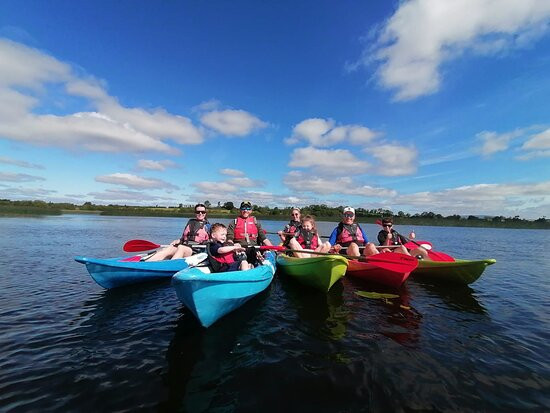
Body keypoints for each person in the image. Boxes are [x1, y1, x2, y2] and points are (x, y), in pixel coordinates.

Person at [226, 201, 273, 265]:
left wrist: (274, 250)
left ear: (251, 211)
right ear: (240, 210)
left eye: (248, 209)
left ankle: (257, 263)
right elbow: (229, 239)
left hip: (254, 248)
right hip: (240, 248)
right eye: (243, 208)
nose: (245, 210)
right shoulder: (233, 223)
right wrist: (233, 247)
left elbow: (264, 239)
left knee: (256, 253)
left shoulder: (256, 223)